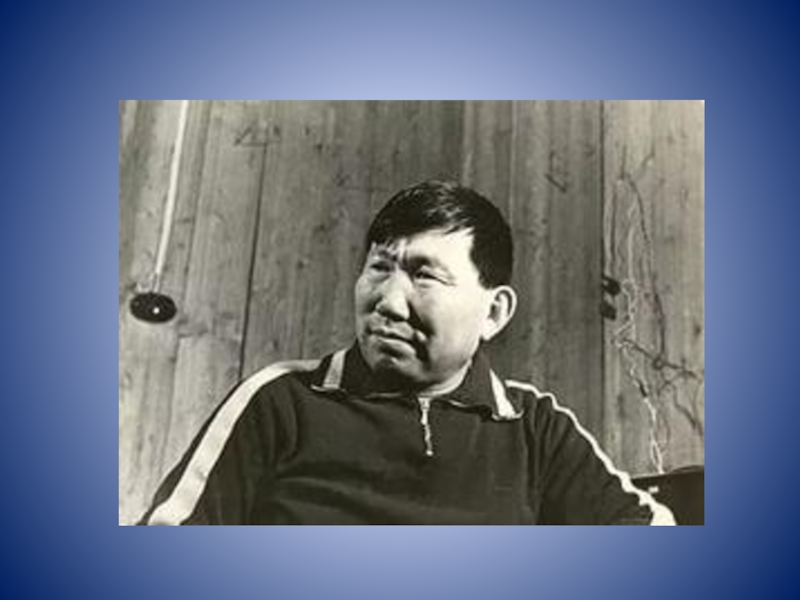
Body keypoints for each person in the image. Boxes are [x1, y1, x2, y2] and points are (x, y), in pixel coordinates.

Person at [139, 180, 675, 525]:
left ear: (494, 313)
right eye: (379, 268)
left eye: (425, 275)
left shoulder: (536, 427)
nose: (388, 301)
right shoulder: (279, 400)